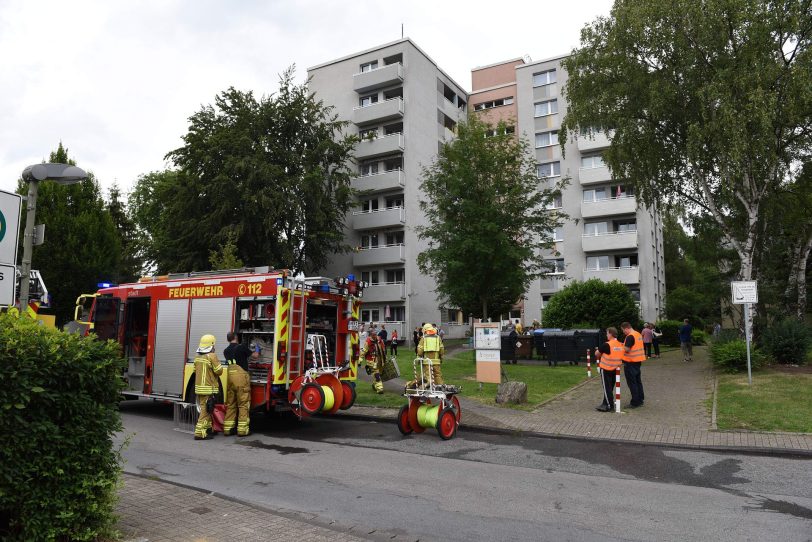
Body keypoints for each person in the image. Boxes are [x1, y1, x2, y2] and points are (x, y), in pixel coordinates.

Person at [223, 332, 257, 437]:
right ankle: (242, 430)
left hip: (230, 378)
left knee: (231, 404)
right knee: (243, 404)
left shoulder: (226, 351)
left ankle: (228, 429)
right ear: (236, 338)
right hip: (241, 378)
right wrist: (257, 349)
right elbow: (255, 356)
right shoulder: (241, 347)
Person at [193, 334, 223, 440]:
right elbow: (219, 371)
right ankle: (199, 433)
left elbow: (194, 371)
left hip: (199, 388)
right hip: (208, 388)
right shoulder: (212, 356)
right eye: (214, 344)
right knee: (206, 411)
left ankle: (208, 430)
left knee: (207, 409)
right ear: (211, 345)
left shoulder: (197, 357)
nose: (214, 347)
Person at [594, 327, 624, 412]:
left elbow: (597, 354)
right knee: (610, 388)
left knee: (607, 388)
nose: (606, 335)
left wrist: (598, 351)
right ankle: (604, 403)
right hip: (615, 369)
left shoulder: (607, 344)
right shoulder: (620, 344)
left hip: (606, 369)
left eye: (607, 333)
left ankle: (609, 405)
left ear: (610, 334)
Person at [620, 322, 645, 408]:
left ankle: (635, 402)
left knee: (632, 383)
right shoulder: (638, 334)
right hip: (638, 361)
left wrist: (620, 347)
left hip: (630, 362)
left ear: (626, 328)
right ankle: (640, 399)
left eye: (623, 330)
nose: (623, 332)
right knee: (638, 381)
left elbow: (627, 349)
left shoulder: (630, 336)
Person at [416, 322, 444, 388]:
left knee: (427, 374)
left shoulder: (423, 338)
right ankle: (440, 386)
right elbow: (441, 349)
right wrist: (441, 357)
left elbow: (420, 350)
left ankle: (429, 383)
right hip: (436, 361)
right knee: (437, 375)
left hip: (427, 361)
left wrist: (419, 357)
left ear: (425, 330)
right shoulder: (438, 338)